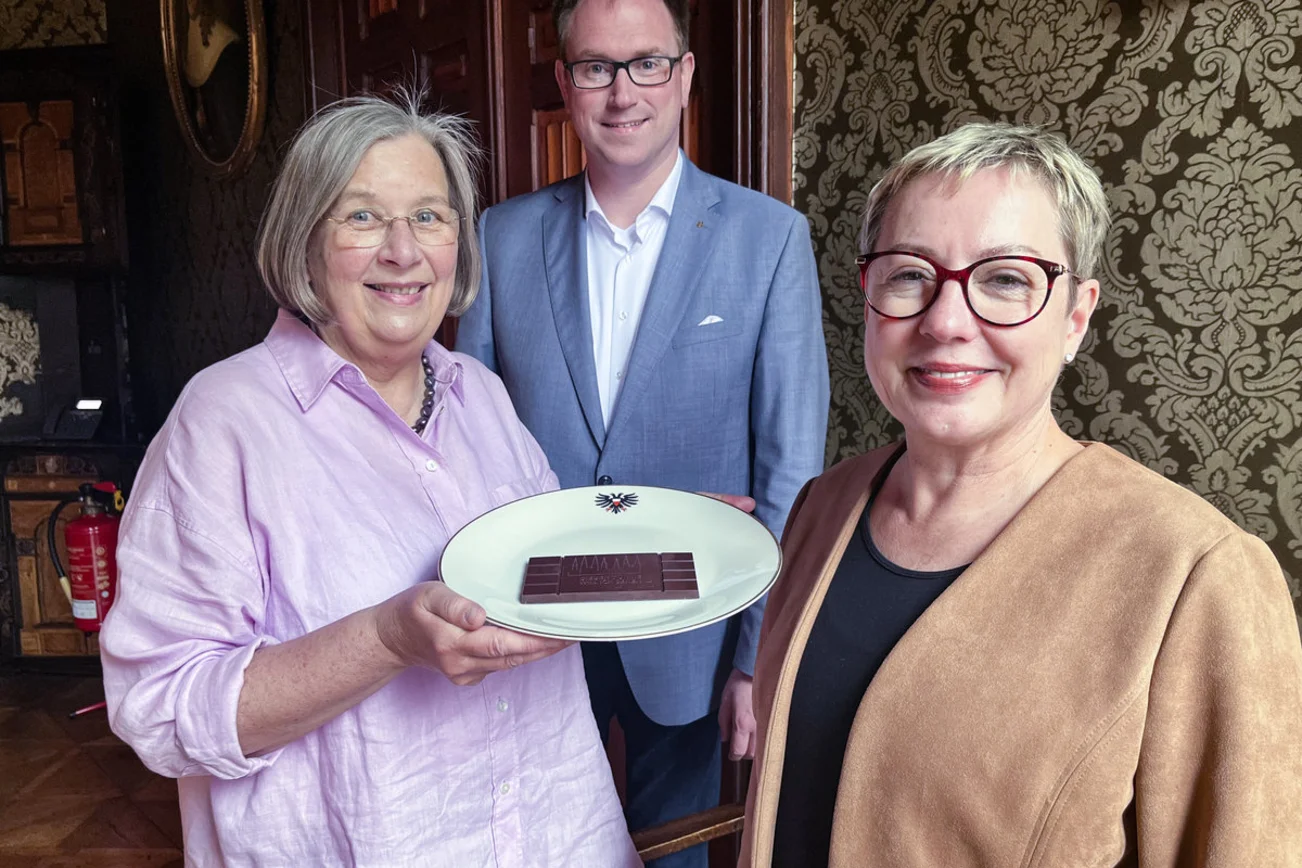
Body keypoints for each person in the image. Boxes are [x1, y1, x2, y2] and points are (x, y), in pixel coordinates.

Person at [738, 123, 1302, 867]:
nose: (945, 322)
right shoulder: (822, 507)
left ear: (1076, 317)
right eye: (909, 275)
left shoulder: (1197, 573)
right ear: (868, 297)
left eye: (1006, 279)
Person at [99, 93, 640, 868]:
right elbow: (161, 709)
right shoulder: (222, 423)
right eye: (362, 217)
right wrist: (386, 639)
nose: (403, 250)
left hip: (562, 840)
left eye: (428, 216)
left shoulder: (482, 396)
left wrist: (648, 536)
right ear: (304, 241)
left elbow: (543, 570)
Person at [456, 0, 828, 863]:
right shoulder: (500, 237)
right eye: (597, 67)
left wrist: (756, 657)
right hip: (533, 629)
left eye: (647, 64)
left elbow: (791, 467)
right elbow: (467, 443)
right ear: (565, 83)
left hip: (694, 638)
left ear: (685, 75)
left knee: (677, 852)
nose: (623, 93)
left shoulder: (769, 240)